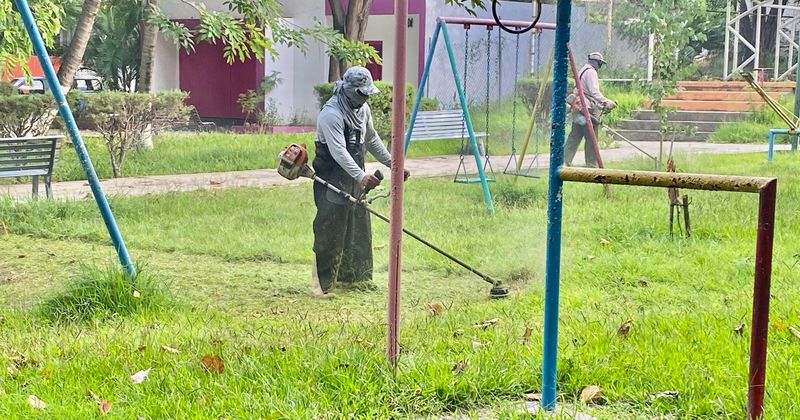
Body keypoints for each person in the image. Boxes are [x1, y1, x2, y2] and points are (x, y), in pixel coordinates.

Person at [311, 66, 409, 299]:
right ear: (349, 90)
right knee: (330, 231)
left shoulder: (363, 109)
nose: (365, 98)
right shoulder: (331, 114)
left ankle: (355, 278)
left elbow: (371, 138)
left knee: (357, 229)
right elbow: (338, 152)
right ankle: (321, 287)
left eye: (367, 94)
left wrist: (393, 165)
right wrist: (361, 175)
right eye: (361, 93)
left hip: (355, 179)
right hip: (331, 179)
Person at [564, 52, 617, 167]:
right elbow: (594, 92)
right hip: (586, 110)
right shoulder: (591, 72)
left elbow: (586, 93)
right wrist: (605, 101)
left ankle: (565, 161)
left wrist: (599, 105)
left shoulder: (583, 70)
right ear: (597, 62)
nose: (600, 66)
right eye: (600, 64)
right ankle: (591, 164)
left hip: (578, 108)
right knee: (592, 139)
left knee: (575, 136)